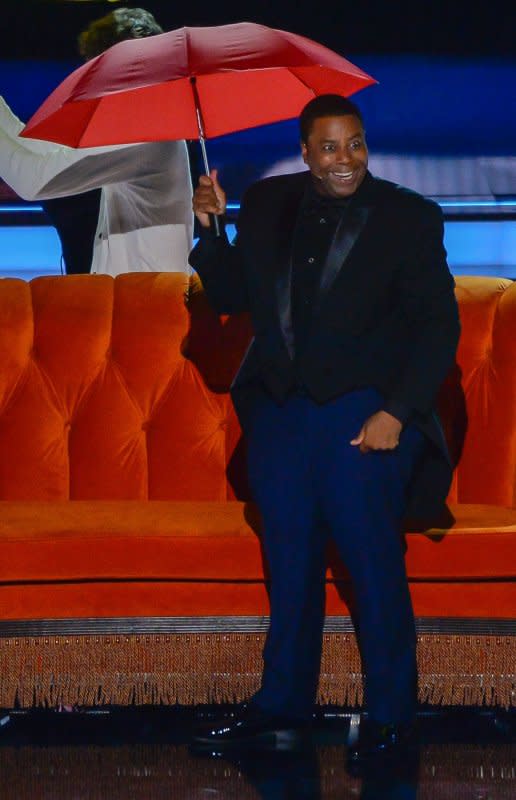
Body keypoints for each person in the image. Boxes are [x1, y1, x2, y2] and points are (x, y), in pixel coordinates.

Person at [189, 94, 460, 764]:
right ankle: (281, 704)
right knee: (290, 567)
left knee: (371, 569)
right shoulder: (268, 202)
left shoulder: (408, 216)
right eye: (332, 147)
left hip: (361, 414)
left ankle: (394, 717)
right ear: (306, 150)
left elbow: (437, 328)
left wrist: (395, 414)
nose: (347, 160)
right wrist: (212, 228)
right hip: (280, 414)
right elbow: (230, 298)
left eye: (357, 143)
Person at [0, 8, 193, 276]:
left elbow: (32, 181)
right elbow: (42, 148)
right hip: (139, 299)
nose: (90, 82)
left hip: (149, 307)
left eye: (95, 68)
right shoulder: (141, 121)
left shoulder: (142, 131)